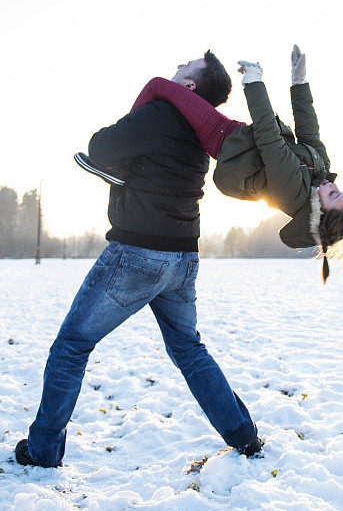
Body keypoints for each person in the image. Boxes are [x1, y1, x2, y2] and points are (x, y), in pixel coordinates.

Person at [15, 50, 264, 469]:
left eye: (187, 66)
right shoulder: (199, 134)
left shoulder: (163, 114)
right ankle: (245, 437)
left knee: (71, 347)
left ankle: (41, 452)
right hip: (183, 259)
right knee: (189, 349)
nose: (180, 64)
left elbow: (100, 146)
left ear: (189, 87)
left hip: (136, 257)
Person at [127, 45, 343, 283]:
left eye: (333, 195)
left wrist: (254, 82)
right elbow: (309, 130)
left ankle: (119, 146)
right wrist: (299, 81)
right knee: (175, 99)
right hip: (237, 136)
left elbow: (270, 138)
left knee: (158, 85)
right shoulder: (319, 173)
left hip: (223, 141)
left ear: (319, 212)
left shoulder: (293, 194)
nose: (333, 186)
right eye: (339, 191)